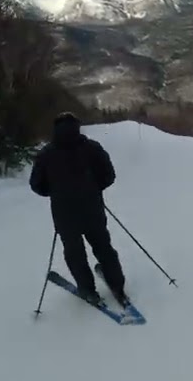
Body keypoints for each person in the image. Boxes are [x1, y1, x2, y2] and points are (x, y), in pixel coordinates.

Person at [29, 112, 130, 308]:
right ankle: (117, 285)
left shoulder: (46, 154)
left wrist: (56, 192)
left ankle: (87, 289)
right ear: (77, 127)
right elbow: (109, 175)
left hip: (64, 213)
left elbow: (37, 185)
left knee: (74, 252)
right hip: (92, 208)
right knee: (103, 247)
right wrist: (93, 189)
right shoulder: (92, 148)